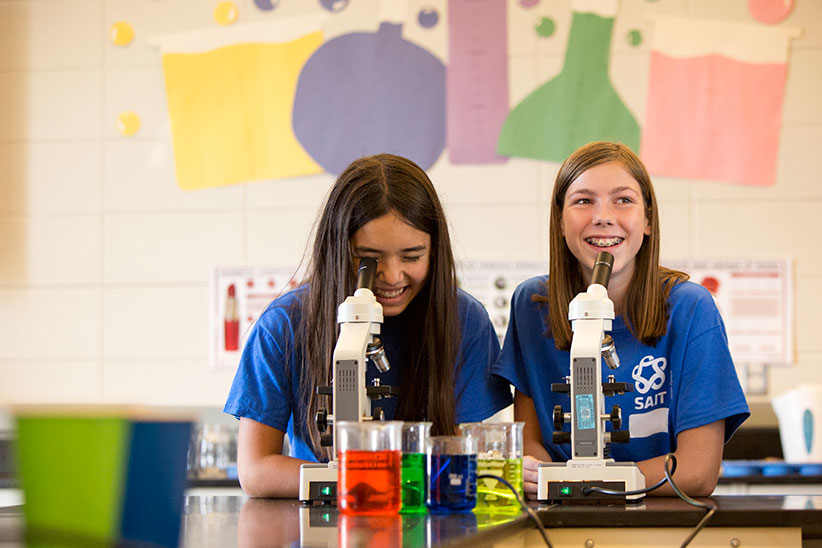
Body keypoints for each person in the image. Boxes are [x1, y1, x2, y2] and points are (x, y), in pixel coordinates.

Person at [225, 153, 512, 498]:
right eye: (369, 259)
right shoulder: (284, 325)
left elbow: (464, 458)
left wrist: (376, 480)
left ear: (435, 251)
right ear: (337, 248)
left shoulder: (464, 321)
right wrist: (365, 481)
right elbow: (256, 470)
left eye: (411, 256)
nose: (391, 276)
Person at [491, 141, 749, 498]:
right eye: (583, 200)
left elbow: (697, 471)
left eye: (623, 200)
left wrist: (580, 484)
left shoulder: (690, 308)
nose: (603, 216)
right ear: (560, 220)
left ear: (647, 220)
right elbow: (529, 444)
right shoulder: (532, 304)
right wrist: (546, 477)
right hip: (561, 521)